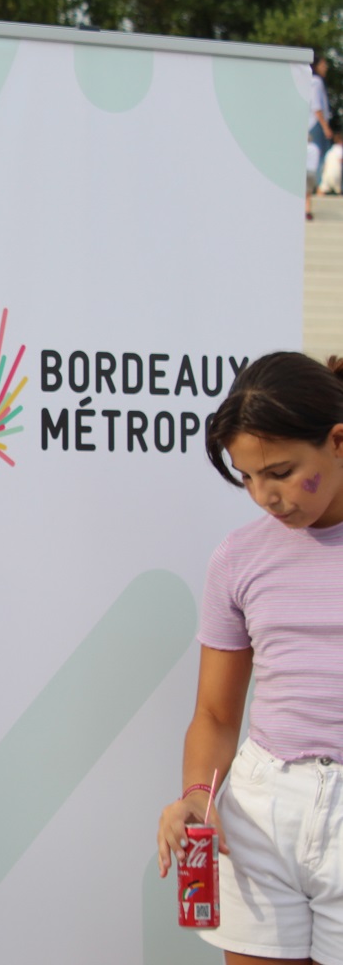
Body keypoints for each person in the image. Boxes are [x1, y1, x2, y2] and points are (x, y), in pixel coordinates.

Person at [156, 351, 343, 965]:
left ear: (338, 441)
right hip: (260, 812)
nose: (267, 496)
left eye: (283, 472)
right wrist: (194, 795)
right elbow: (214, 712)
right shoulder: (237, 558)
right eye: (248, 477)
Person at [311, 58, 332, 191]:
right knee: (319, 156)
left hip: (314, 124)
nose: (326, 68)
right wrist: (325, 127)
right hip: (316, 124)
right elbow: (316, 107)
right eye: (323, 65)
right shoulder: (316, 82)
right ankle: (318, 186)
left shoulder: (312, 81)